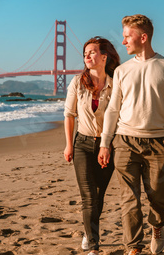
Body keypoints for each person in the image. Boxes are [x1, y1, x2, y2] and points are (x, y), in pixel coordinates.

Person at [98, 14, 164, 255]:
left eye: (128, 36)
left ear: (143, 37)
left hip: (159, 142)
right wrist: (106, 143)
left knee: (159, 195)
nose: (124, 41)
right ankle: (133, 247)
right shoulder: (122, 71)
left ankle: (158, 227)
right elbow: (113, 109)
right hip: (125, 140)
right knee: (129, 198)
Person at [63, 36, 121, 255]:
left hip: (108, 146)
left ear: (104, 56)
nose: (87, 56)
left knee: (98, 195)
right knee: (88, 196)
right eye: (85, 53)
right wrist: (69, 145)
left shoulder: (116, 84)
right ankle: (94, 246)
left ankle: (89, 232)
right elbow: (69, 115)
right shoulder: (78, 82)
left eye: (92, 52)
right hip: (83, 145)